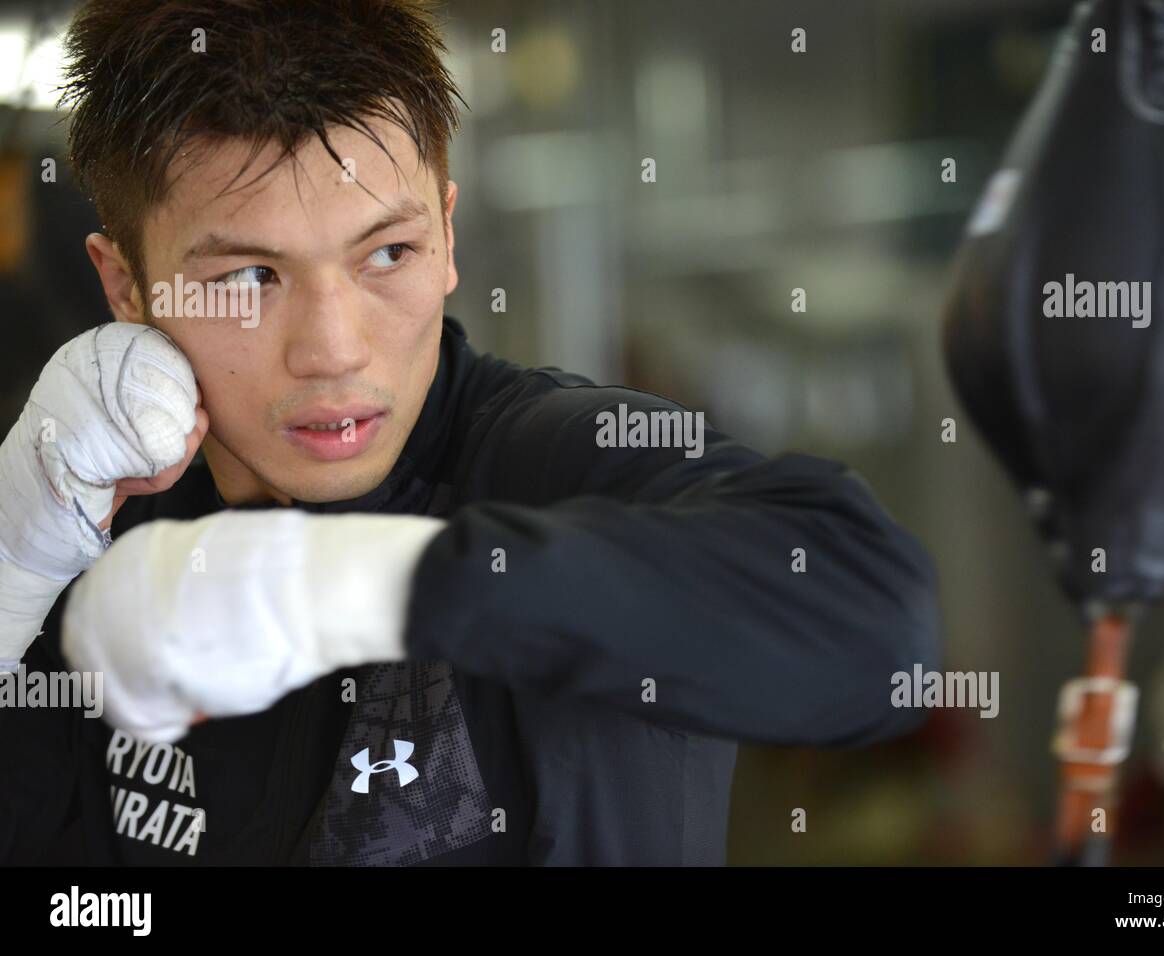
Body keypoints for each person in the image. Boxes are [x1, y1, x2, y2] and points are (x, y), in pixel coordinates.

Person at [0, 0, 940, 866]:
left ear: (447, 239)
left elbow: (874, 627)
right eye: (248, 278)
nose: (333, 350)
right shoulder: (94, 516)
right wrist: (8, 575)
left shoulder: (555, 459)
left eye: (388, 253)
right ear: (125, 284)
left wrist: (353, 586)